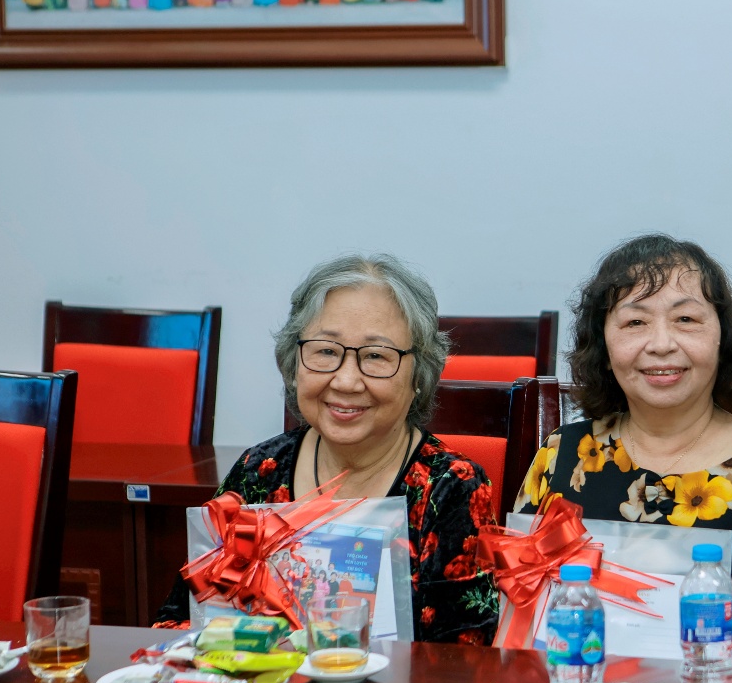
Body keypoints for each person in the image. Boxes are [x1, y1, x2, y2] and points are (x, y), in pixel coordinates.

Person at [154, 254, 500, 644]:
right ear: (293, 361)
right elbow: (181, 621)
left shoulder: (451, 488)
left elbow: (463, 664)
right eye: (325, 351)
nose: (347, 380)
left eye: (375, 356)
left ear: (419, 375)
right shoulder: (258, 470)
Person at [513, 234, 732, 648]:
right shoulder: (563, 454)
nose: (662, 344)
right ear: (603, 343)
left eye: (686, 320)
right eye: (635, 322)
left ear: (722, 336)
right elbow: (518, 613)